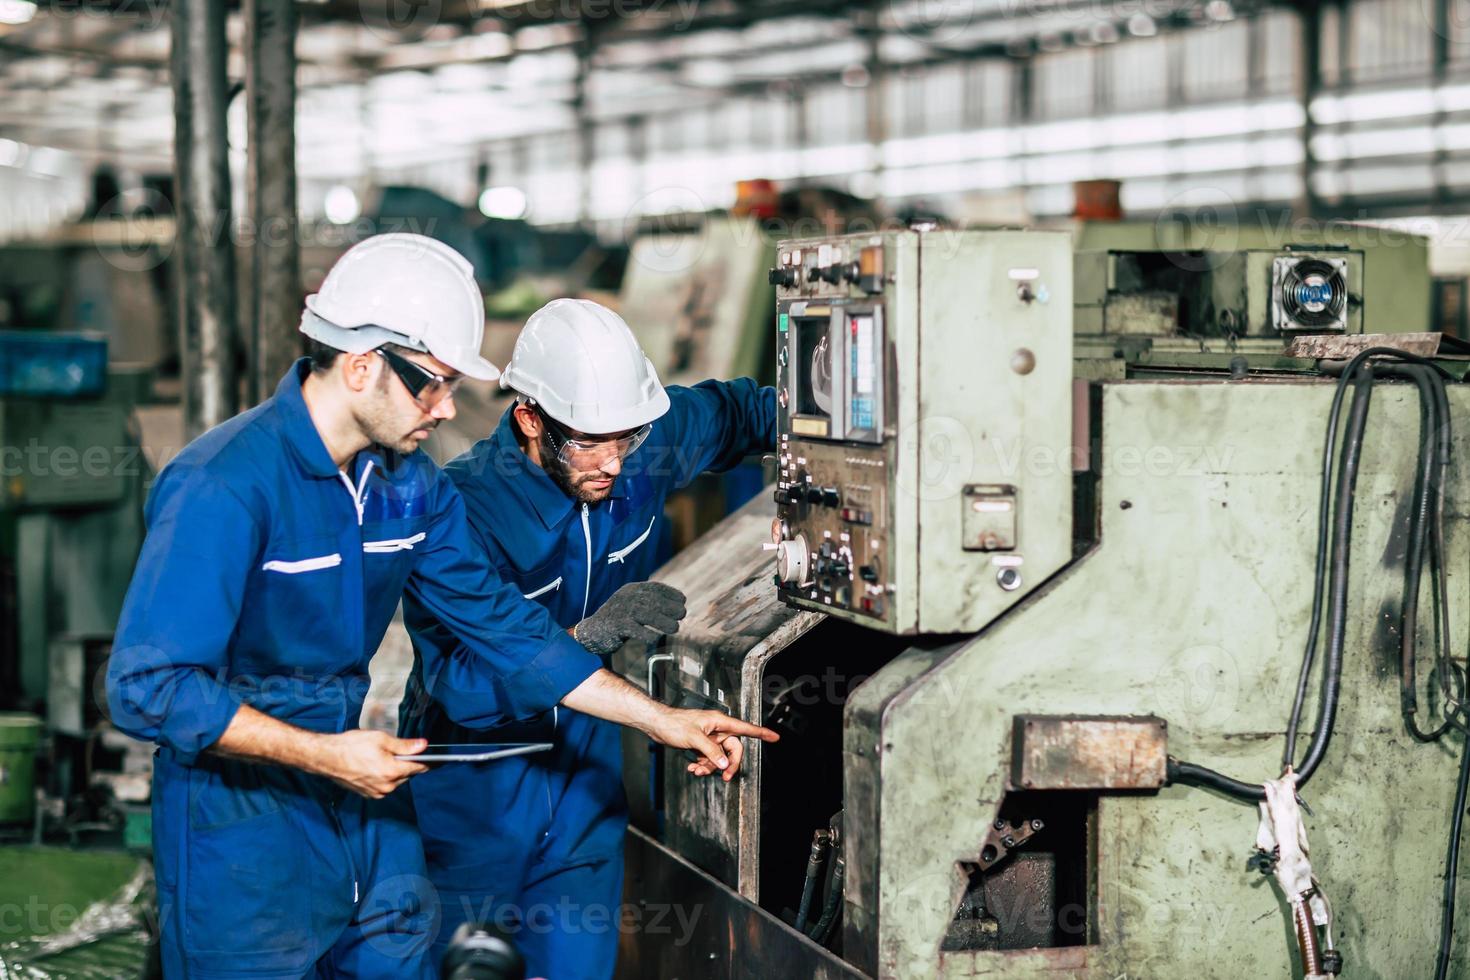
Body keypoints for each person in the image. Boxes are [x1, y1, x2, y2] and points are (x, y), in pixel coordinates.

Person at [106, 236, 777, 979]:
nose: (450, 407)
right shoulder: (224, 485)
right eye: (433, 384)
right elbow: (147, 687)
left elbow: (505, 627)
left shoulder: (410, 490)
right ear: (362, 366)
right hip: (239, 819)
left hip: (362, 798)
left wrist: (664, 719)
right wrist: (323, 754)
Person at [401, 298, 779, 979]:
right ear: (529, 419)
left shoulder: (636, 446)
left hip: (586, 784)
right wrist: (590, 634)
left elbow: (743, 413)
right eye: (587, 443)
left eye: (624, 438)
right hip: (473, 791)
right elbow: (459, 685)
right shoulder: (461, 508)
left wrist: (854, 414)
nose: (611, 462)